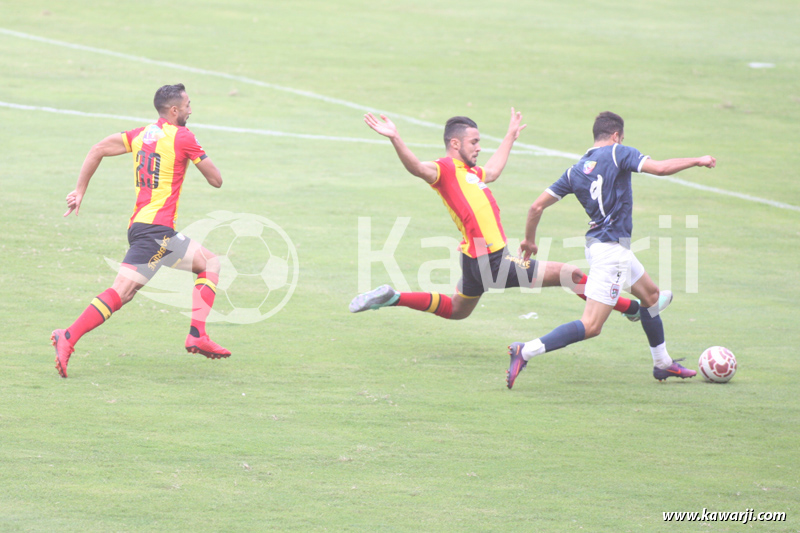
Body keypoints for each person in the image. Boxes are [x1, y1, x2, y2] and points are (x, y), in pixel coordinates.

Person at [349, 109, 641, 323]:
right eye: (474, 142)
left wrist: (510, 136)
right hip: (492, 259)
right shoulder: (444, 170)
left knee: (457, 310)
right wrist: (396, 138)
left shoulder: (472, 174)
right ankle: (631, 308)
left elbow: (496, 170)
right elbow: (416, 167)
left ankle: (392, 296)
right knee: (571, 274)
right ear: (455, 144)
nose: (478, 147)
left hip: (474, 258)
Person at [506, 111, 716, 388]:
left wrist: (529, 241)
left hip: (603, 246)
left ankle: (662, 363)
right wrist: (697, 160)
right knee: (591, 326)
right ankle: (527, 350)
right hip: (611, 253)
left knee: (651, 297)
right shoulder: (619, 153)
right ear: (616, 135)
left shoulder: (575, 170)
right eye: (622, 137)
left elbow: (536, 207)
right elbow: (661, 168)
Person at [51, 83, 231, 378]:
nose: (190, 109)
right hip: (154, 233)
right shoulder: (184, 137)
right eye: (187, 105)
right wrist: (196, 152)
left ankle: (197, 334)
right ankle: (67, 337)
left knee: (209, 263)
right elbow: (216, 180)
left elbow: (97, 148)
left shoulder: (141, 135)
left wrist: (80, 190)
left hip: (146, 228)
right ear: (174, 110)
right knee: (121, 291)